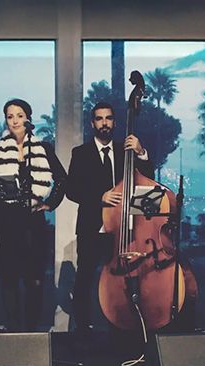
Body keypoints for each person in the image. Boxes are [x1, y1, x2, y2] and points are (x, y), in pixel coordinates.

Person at [65, 102, 154, 338]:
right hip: (92, 227)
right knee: (85, 278)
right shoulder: (80, 153)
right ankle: (83, 329)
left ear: (114, 122)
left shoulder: (126, 151)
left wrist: (141, 152)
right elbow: (71, 190)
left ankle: (121, 328)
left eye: (108, 118)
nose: (104, 123)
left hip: (122, 228)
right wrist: (99, 197)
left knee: (122, 280)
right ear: (92, 123)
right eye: (99, 118)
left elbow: (147, 179)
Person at [0, 98, 66, 332]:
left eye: (19, 115)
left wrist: (49, 204)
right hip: (5, 222)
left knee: (34, 280)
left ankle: (31, 331)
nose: (15, 121)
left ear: (28, 118)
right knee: (8, 278)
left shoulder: (43, 148)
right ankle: (13, 331)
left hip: (32, 223)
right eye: (10, 116)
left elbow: (62, 179)